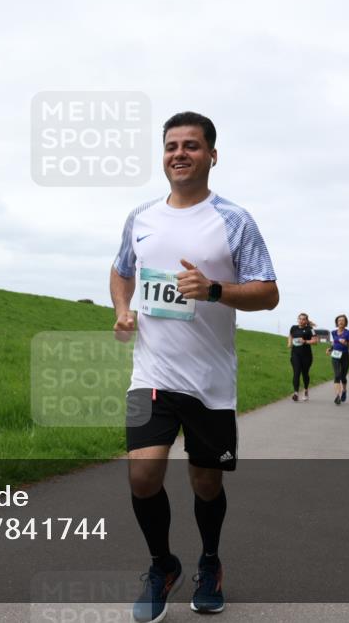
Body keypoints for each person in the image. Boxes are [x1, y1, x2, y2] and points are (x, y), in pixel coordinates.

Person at [110, 112, 278, 621]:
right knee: (143, 475)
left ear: (212, 155)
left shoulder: (234, 219)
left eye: (191, 145)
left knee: (206, 484)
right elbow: (121, 271)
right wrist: (123, 309)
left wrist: (213, 289)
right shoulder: (140, 217)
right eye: (170, 146)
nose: (178, 154)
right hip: (152, 376)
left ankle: (209, 561)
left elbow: (268, 292)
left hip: (210, 384)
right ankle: (162, 565)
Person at [288, 313, 318, 401]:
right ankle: (296, 393)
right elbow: (290, 335)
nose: (301, 320)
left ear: (306, 321)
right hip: (295, 354)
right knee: (296, 373)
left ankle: (305, 390)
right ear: (298, 319)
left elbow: (315, 341)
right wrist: (289, 343)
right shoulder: (294, 328)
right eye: (300, 319)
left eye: (303, 319)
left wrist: (305, 341)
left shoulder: (310, 329)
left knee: (305, 374)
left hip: (306, 356)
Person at [326, 315, 349, 404]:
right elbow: (334, 343)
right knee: (337, 375)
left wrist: (346, 343)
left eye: (343, 320)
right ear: (337, 322)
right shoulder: (333, 332)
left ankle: (344, 391)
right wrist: (330, 349)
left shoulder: (348, 333)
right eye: (339, 320)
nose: (341, 322)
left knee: (343, 377)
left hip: (345, 356)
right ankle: (337, 396)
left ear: (345, 323)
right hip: (335, 355)